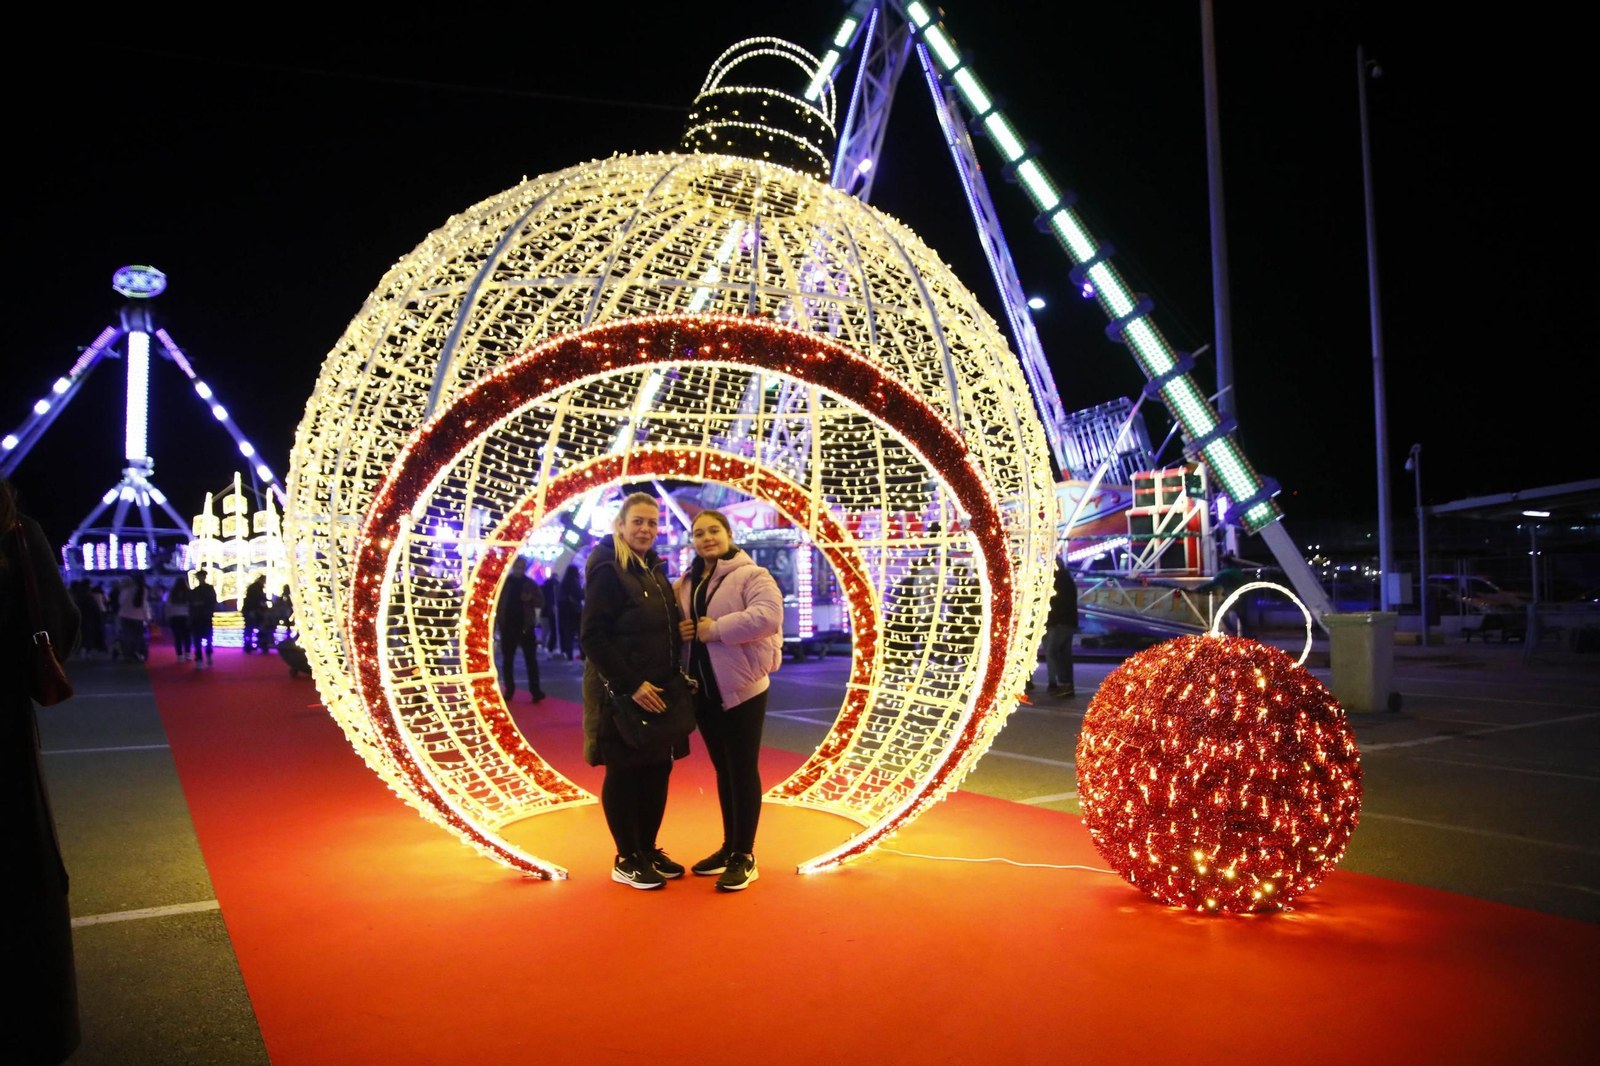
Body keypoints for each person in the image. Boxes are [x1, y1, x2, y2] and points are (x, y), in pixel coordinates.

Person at [0, 480, 82, 1064]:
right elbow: (58, 622)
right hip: (2, 731)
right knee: (19, 871)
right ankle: (33, 1025)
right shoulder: (19, 536)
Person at [580, 493, 688, 890]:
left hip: (659, 692)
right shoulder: (608, 568)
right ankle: (626, 856)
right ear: (620, 525)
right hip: (621, 693)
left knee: (657, 770)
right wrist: (629, 684)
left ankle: (646, 847)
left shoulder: (652, 567)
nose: (646, 529)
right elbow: (593, 636)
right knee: (624, 772)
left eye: (652, 523)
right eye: (638, 522)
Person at [674, 509, 782, 891]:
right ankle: (729, 846)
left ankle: (744, 855)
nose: (706, 538)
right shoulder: (686, 582)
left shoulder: (752, 575)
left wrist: (716, 629)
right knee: (724, 770)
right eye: (699, 533)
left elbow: (769, 616)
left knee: (742, 768)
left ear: (729, 534)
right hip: (702, 690)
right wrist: (682, 629)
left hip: (742, 688)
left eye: (713, 531)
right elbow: (680, 626)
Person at [496, 556, 546, 703]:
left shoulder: (529, 584)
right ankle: (509, 690)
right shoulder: (505, 584)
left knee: (531, 660)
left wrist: (530, 599)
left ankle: (535, 691)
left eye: (522, 566)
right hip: (508, 626)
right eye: (517, 566)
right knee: (508, 660)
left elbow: (541, 602)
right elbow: (498, 603)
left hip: (526, 626)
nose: (520, 569)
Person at [1040, 558, 1079, 698]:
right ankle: (1067, 685)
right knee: (1064, 653)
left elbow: (1057, 603)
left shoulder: (1058, 581)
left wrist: (1052, 620)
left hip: (1059, 623)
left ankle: (1062, 682)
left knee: (1052, 651)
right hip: (1067, 622)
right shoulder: (1066, 580)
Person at [117, 575, 151, 663]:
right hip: (139, 617)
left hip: (125, 616)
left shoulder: (126, 590)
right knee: (139, 637)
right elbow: (144, 606)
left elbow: (121, 602)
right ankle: (138, 653)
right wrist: (147, 618)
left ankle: (128, 654)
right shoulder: (143, 590)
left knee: (127, 636)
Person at [189, 570, 217, 666]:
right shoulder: (196, 590)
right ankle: (200, 657)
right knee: (200, 638)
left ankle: (206, 655)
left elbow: (212, 601)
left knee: (207, 637)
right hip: (200, 616)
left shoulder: (207, 589)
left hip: (204, 616)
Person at [559, 565, 584, 660]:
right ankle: (583, 655)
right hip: (576, 611)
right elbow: (580, 595)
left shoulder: (564, 584)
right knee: (580, 633)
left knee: (567, 634)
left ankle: (568, 654)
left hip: (565, 612)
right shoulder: (575, 582)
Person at [165, 580, 193, 661]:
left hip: (174, 616)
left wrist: (167, 616)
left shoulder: (171, 593)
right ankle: (188, 654)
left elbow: (167, 605)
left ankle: (179, 655)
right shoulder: (189, 593)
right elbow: (191, 605)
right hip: (186, 616)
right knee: (187, 636)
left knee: (177, 637)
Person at [242, 575, 268, 652]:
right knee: (252, 627)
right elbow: (256, 599)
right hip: (252, 610)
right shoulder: (256, 588)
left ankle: (249, 645)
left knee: (249, 628)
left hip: (250, 609)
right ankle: (254, 644)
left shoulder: (254, 587)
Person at [541, 573, 560, 654]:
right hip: (552, 612)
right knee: (553, 630)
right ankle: (552, 647)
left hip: (544, 612)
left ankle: (544, 646)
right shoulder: (556, 586)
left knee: (545, 630)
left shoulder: (544, 587)